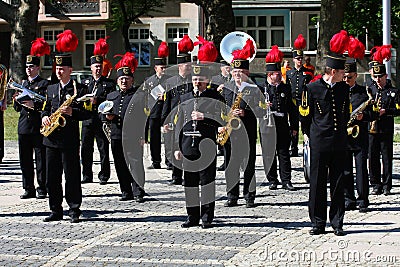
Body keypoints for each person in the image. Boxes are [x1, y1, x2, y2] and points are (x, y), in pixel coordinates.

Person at [300, 30, 350, 236]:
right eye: (341, 72)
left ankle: (337, 222)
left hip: (338, 141)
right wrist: (308, 135)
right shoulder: (312, 88)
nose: (344, 75)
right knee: (317, 183)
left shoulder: (343, 89)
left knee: (339, 183)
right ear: (332, 71)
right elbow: (304, 114)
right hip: (319, 141)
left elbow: (345, 113)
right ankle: (318, 222)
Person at [41, 30, 90, 223]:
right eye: (57, 68)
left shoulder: (78, 90)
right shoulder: (51, 88)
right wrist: (45, 117)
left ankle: (74, 209)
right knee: (51, 177)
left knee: (72, 176)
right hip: (51, 139)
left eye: (63, 68)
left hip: (69, 140)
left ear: (70, 70)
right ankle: (55, 209)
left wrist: (73, 113)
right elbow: (45, 108)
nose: (59, 71)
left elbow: (88, 113)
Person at [175, 62, 225, 229]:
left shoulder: (215, 97)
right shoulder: (185, 98)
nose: (197, 82)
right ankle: (192, 216)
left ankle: (207, 217)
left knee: (207, 183)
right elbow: (179, 124)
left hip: (207, 146)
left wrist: (205, 116)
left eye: (200, 79)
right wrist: (176, 147)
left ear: (207, 80)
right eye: (195, 79)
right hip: (188, 146)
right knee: (189, 184)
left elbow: (222, 120)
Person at [220, 40, 259, 208]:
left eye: (241, 71)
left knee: (249, 165)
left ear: (247, 72)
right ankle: (232, 195)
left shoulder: (254, 89)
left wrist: (246, 112)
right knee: (231, 164)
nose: (238, 74)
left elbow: (262, 111)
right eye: (235, 71)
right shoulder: (225, 88)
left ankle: (249, 196)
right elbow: (218, 110)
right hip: (230, 133)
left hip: (247, 131)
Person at [105, 52, 146, 202]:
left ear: (132, 80)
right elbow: (103, 112)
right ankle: (125, 191)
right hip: (116, 135)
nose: (124, 81)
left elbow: (144, 117)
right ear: (117, 80)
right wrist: (107, 117)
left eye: (127, 79)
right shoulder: (111, 96)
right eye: (122, 79)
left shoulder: (139, 95)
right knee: (120, 164)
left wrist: (143, 136)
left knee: (135, 163)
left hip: (133, 135)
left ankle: (138, 191)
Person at [13, 43, 49, 199]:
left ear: (38, 68)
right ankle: (28, 187)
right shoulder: (23, 84)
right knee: (25, 160)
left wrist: (34, 105)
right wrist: (16, 99)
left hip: (37, 125)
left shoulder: (44, 84)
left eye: (32, 66)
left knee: (41, 159)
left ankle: (42, 187)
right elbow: (16, 108)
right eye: (27, 66)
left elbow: (47, 104)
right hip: (24, 126)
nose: (29, 69)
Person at [263, 46, 297, 191]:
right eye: (277, 74)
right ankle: (272, 180)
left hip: (282, 123)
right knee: (269, 154)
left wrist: (294, 126)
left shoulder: (285, 88)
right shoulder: (261, 88)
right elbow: (254, 108)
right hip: (267, 125)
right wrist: (262, 105)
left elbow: (292, 109)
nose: (279, 76)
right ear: (270, 75)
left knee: (284, 153)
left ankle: (286, 180)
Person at [368, 46, 400, 196]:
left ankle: (387, 185)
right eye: (376, 77)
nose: (378, 80)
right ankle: (375, 183)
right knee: (372, 156)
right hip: (372, 129)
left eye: (380, 77)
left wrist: (386, 111)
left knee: (387, 158)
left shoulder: (393, 92)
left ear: (385, 76)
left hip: (386, 128)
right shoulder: (370, 90)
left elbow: (398, 110)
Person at [162, 35, 194, 185]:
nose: (188, 67)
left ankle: (189, 173)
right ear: (180, 66)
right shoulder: (171, 81)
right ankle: (176, 176)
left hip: (189, 117)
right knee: (174, 145)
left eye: (190, 64)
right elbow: (166, 103)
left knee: (187, 145)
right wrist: (164, 122)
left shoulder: (193, 80)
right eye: (186, 64)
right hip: (174, 118)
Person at [81, 52, 115, 185]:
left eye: (100, 66)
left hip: (101, 121)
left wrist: (98, 100)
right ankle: (87, 174)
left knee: (103, 149)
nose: (98, 69)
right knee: (86, 149)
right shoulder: (85, 83)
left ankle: (104, 175)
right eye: (95, 66)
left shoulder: (108, 83)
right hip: (87, 120)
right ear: (91, 68)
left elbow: (111, 101)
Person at [342, 60, 371, 213]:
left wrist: (363, 115)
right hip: (344, 137)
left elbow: (373, 113)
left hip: (360, 137)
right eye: (345, 77)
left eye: (350, 77)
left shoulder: (363, 92)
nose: (346, 80)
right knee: (346, 170)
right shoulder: (339, 92)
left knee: (361, 169)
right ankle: (348, 199)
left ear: (356, 76)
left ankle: (363, 199)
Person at [144, 42, 171, 170]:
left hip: (166, 112)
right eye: (161, 68)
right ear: (156, 68)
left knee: (168, 137)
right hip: (154, 112)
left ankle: (169, 161)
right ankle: (156, 161)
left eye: (165, 67)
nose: (164, 70)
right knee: (154, 138)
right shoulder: (149, 81)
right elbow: (146, 96)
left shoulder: (170, 79)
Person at [286, 34, 312, 157]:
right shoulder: (289, 73)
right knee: (293, 126)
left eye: (301, 58)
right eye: (297, 58)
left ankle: (306, 146)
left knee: (305, 125)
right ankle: (294, 147)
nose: (299, 60)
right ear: (293, 60)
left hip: (304, 103)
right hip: (292, 103)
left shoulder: (308, 72)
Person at [211, 59, 231, 171]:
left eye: (229, 67)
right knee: (220, 135)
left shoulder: (231, 79)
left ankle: (227, 160)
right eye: (226, 67)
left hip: (228, 110)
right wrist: (217, 89)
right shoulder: (215, 79)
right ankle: (222, 156)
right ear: (221, 68)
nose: (228, 69)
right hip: (218, 110)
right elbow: (210, 93)